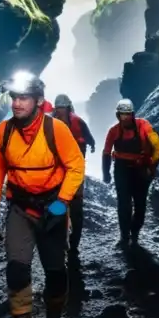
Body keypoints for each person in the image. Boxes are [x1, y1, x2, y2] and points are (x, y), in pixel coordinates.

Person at [0, 71, 85, 318]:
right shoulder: (4, 132)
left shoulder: (56, 130)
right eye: (14, 98)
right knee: (17, 268)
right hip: (20, 207)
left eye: (24, 98)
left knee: (55, 270)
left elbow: (76, 167)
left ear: (39, 101)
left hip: (52, 205)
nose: (17, 104)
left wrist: (59, 204)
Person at [102, 98, 159, 248]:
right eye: (122, 115)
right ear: (118, 115)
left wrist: (151, 163)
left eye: (127, 114)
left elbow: (158, 146)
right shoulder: (114, 131)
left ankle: (135, 233)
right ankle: (124, 235)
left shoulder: (144, 126)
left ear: (133, 114)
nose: (125, 118)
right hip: (122, 169)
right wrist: (106, 173)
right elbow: (106, 152)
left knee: (140, 203)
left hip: (140, 169)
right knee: (123, 204)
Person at [52, 94, 96, 261]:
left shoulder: (77, 122)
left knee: (76, 207)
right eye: (59, 108)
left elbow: (89, 137)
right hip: (56, 170)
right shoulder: (50, 122)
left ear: (68, 108)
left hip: (73, 170)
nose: (61, 111)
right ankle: (61, 239)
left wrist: (91, 145)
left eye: (63, 108)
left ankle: (73, 243)